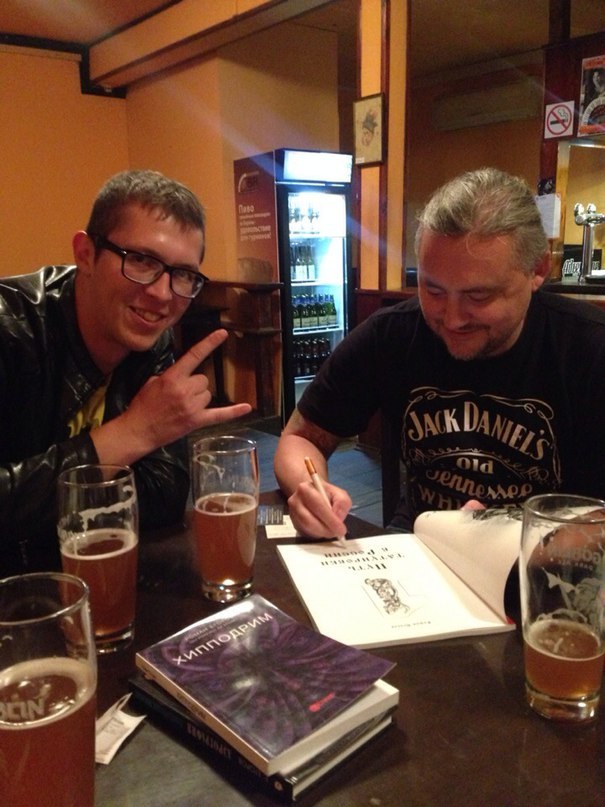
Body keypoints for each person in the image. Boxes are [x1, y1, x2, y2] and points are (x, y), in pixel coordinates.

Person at [274, 167, 605, 537]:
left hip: (549, 562)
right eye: (433, 290)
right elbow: (301, 437)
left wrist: (511, 542)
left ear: (537, 269)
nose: (452, 318)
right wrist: (310, 490)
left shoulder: (590, 350)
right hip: (420, 546)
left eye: (478, 296)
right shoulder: (392, 334)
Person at [0, 169, 251, 574]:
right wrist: (134, 433)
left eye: (183, 275)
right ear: (85, 254)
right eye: (141, 260)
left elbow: (165, 495)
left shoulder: (151, 342)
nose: (162, 294)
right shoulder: (11, 328)